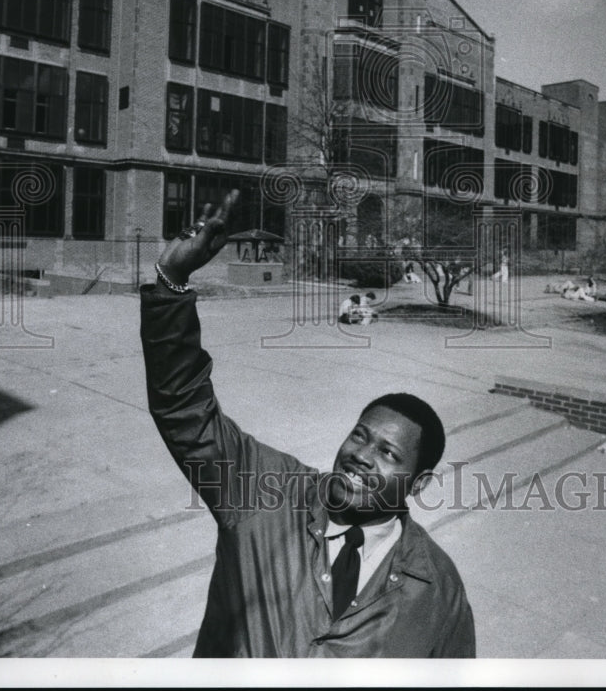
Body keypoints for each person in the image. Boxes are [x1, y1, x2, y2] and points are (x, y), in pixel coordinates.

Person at [140, 191, 475, 658]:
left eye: (388, 453)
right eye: (361, 435)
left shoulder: (438, 589)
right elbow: (184, 408)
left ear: (418, 483)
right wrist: (171, 282)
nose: (361, 454)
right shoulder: (265, 493)